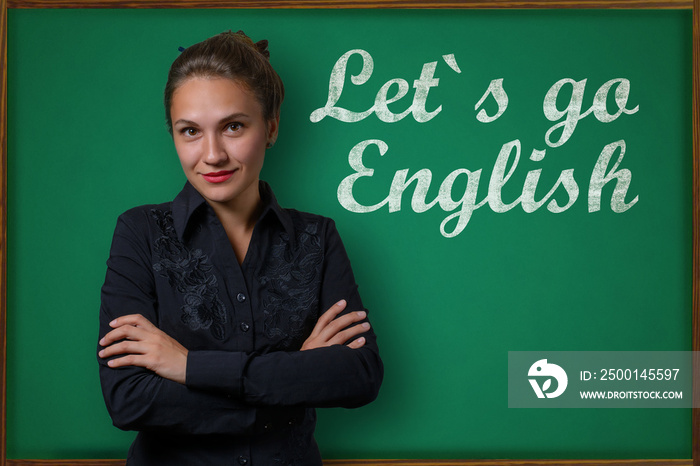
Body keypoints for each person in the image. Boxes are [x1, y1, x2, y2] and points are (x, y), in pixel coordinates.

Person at [97, 30, 383, 465]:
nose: (212, 154)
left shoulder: (317, 238)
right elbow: (130, 400)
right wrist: (294, 375)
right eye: (190, 130)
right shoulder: (140, 233)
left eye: (233, 126)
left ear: (270, 127)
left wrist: (188, 366)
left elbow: (359, 376)